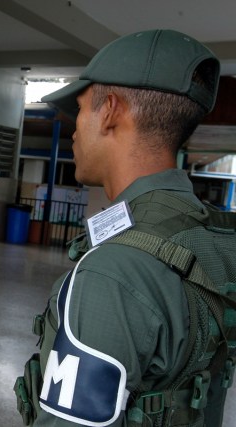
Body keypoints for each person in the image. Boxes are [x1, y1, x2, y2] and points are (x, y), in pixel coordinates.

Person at [13, 30, 236, 426]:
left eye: (79, 112)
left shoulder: (112, 271)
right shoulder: (215, 236)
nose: (74, 131)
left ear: (112, 110)